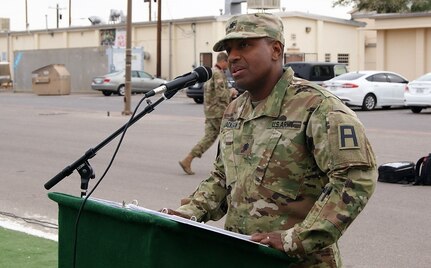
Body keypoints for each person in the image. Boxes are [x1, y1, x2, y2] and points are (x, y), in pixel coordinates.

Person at [166, 13, 377, 267]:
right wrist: (189, 213)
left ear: (276, 50)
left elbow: (355, 179)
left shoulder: (318, 107)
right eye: (229, 49)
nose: (233, 56)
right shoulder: (235, 110)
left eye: (245, 45)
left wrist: (296, 239)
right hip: (242, 256)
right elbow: (223, 178)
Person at [179, 52, 237, 175]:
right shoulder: (218, 74)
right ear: (224, 61)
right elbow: (221, 94)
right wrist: (231, 92)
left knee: (209, 138)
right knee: (230, 138)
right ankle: (226, 168)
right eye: (228, 62)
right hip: (218, 112)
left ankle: (188, 159)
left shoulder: (212, 72)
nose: (229, 65)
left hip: (211, 111)